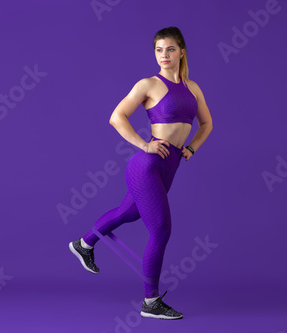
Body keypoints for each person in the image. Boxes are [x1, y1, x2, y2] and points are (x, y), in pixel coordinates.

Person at [69, 26, 213, 320]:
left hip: (170, 165)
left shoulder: (193, 88)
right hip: (147, 165)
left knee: (128, 212)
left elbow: (206, 124)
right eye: (159, 50)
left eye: (170, 49)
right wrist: (143, 144)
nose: (164, 55)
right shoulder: (148, 84)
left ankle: (83, 244)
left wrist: (192, 148)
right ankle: (151, 301)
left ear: (181, 52)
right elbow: (116, 117)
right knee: (160, 230)